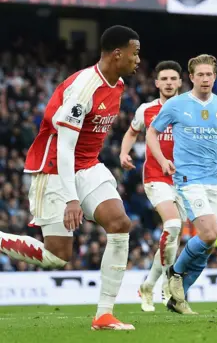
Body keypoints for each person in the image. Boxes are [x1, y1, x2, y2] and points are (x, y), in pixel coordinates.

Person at [0, 25, 140, 330]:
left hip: (88, 166)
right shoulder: (83, 88)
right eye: (135, 52)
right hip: (53, 169)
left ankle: (104, 314)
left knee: (120, 224)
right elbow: (63, 148)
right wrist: (71, 199)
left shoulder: (116, 85)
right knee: (57, 257)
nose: (138, 59)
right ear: (118, 54)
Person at [147, 54, 217, 314]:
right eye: (200, 74)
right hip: (188, 178)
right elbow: (152, 133)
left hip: (215, 180)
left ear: (215, 76)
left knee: (210, 241)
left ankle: (177, 298)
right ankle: (176, 273)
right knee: (209, 233)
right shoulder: (176, 104)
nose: (205, 79)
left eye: (209, 74)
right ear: (191, 77)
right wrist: (161, 160)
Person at [120, 60, 184, 311]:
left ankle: (148, 284)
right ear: (156, 83)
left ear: (180, 82)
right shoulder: (146, 110)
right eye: (164, 79)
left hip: (185, 180)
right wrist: (124, 153)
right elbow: (131, 133)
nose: (168, 83)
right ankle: (167, 281)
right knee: (173, 225)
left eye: (173, 79)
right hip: (156, 177)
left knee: (174, 236)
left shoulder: (190, 109)